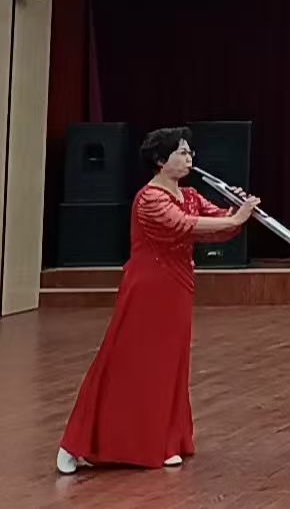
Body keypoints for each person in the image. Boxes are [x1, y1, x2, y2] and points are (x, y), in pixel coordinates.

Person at [57, 127, 260, 474]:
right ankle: (79, 442)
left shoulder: (190, 195)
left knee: (170, 364)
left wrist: (238, 210)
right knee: (130, 362)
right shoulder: (149, 199)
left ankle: (165, 439)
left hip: (177, 286)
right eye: (181, 152)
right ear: (160, 160)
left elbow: (220, 226)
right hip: (147, 288)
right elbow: (183, 225)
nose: (189, 157)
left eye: (190, 152)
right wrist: (236, 216)